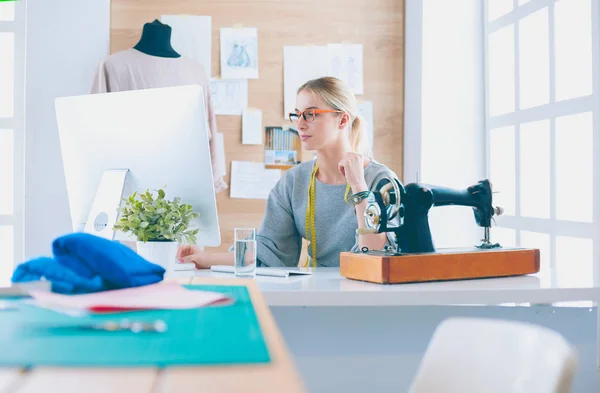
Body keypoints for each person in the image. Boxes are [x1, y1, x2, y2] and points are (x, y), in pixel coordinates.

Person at [177, 76, 399, 268]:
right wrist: (205, 258)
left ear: (342, 119)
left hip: (368, 294)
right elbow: (268, 251)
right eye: (298, 114)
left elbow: (374, 255)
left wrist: (360, 188)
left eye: (311, 114)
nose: (300, 125)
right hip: (319, 291)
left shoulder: (381, 181)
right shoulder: (295, 181)